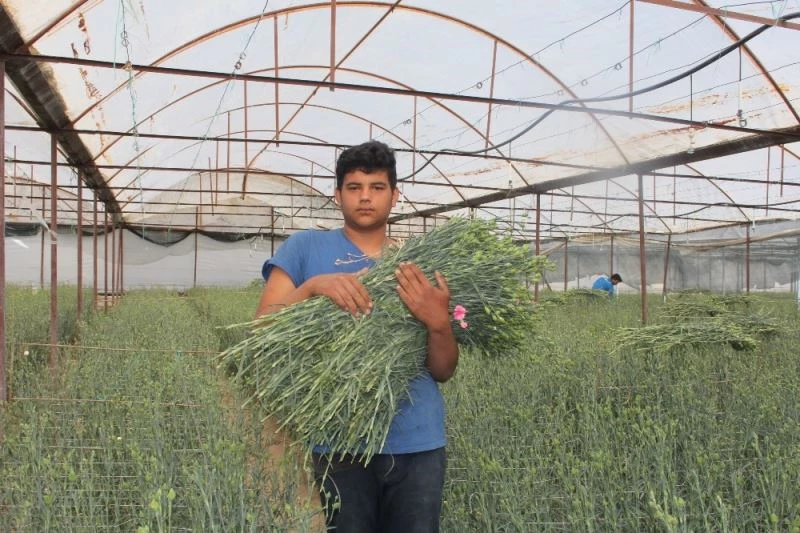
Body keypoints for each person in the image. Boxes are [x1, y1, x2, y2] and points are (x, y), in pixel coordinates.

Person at [255, 140, 459, 533]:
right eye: (354, 187)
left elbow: (444, 370)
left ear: (394, 196)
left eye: (377, 187)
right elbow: (262, 329)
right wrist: (312, 287)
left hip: (417, 442)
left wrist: (438, 323)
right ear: (338, 195)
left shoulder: (423, 261)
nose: (365, 197)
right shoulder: (305, 248)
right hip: (338, 441)